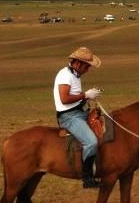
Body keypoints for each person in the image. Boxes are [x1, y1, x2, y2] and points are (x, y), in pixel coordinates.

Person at [53, 47, 103, 188]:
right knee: (91, 142)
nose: (88, 69)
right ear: (79, 64)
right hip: (68, 117)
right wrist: (86, 95)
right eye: (88, 66)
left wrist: (89, 97)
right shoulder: (65, 75)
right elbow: (64, 99)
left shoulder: (74, 75)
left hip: (79, 111)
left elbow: (74, 97)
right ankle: (87, 178)